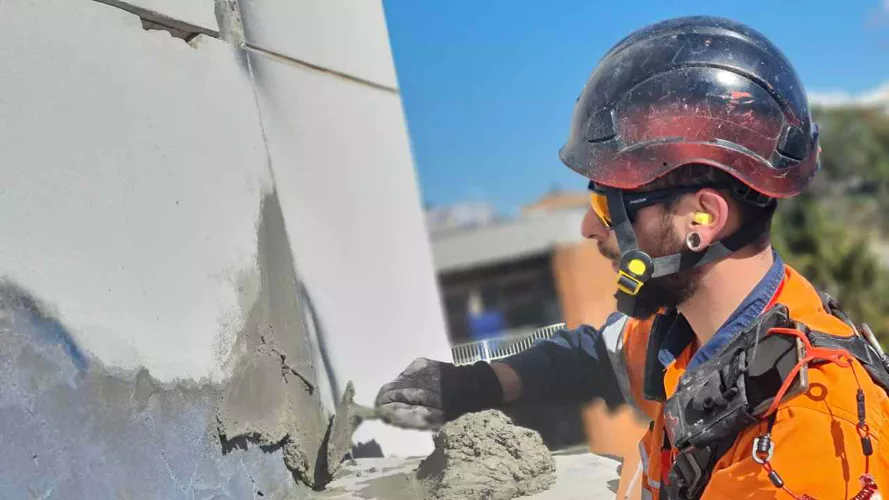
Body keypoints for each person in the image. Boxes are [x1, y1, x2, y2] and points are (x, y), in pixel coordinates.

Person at [374, 16, 889, 499]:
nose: (589, 228)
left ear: (701, 219)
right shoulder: (695, 336)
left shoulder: (806, 436)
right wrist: (479, 382)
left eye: (608, 205)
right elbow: (595, 356)